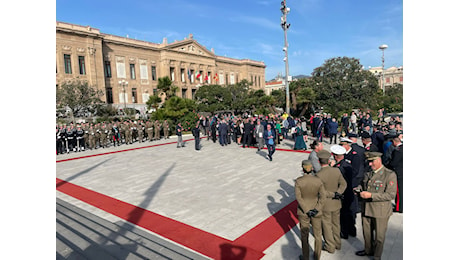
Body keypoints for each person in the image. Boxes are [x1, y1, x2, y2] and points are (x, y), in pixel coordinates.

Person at [355, 152, 397, 260]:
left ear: (378, 161)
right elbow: (363, 184)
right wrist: (359, 189)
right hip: (366, 208)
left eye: (372, 161)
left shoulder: (389, 174)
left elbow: (390, 195)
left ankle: (377, 256)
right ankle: (368, 250)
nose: (370, 164)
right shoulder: (368, 172)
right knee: (367, 233)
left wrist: (371, 195)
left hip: (380, 210)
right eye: (369, 162)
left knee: (379, 236)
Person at [316, 150, 347, 253]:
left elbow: (321, 192)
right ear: (329, 160)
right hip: (336, 203)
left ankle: (330, 246)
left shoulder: (318, 175)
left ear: (319, 161)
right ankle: (338, 243)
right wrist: (338, 193)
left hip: (326, 204)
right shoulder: (336, 171)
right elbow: (343, 184)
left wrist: (332, 194)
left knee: (327, 226)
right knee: (336, 224)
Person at [295, 159, 327, 260]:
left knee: (304, 235)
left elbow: (299, 198)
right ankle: (317, 256)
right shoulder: (318, 181)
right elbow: (323, 197)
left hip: (304, 212)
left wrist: (306, 209)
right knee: (318, 234)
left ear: (303, 169)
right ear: (312, 168)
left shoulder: (299, 181)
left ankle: (305, 257)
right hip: (316, 211)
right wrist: (316, 209)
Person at [331, 144, 357, 239]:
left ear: (335, 156)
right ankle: (352, 230)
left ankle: (344, 232)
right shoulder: (347, 164)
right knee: (349, 213)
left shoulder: (339, 168)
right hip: (349, 192)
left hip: (343, 193)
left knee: (343, 214)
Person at [388, 136, 403, 213]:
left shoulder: (397, 151)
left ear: (394, 141)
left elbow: (394, 162)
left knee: (399, 191)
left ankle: (399, 207)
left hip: (399, 173)